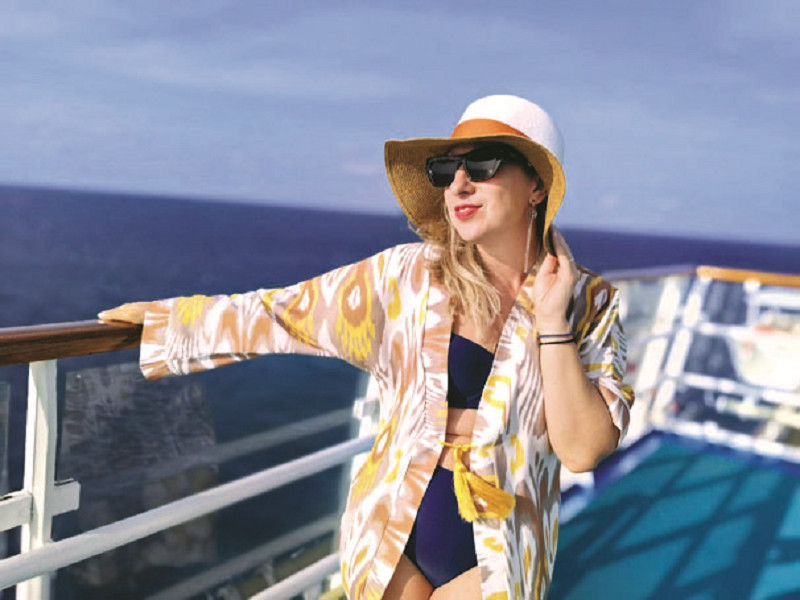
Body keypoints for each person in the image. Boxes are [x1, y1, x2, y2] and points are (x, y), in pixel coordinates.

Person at [99, 94, 634, 600]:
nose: (459, 184)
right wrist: (166, 320)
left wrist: (551, 320)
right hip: (392, 526)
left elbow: (583, 450)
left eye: (483, 165)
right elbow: (284, 313)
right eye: (446, 170)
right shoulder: (406, 276)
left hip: (504, 544)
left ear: (536, 186)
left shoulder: (589, 302)